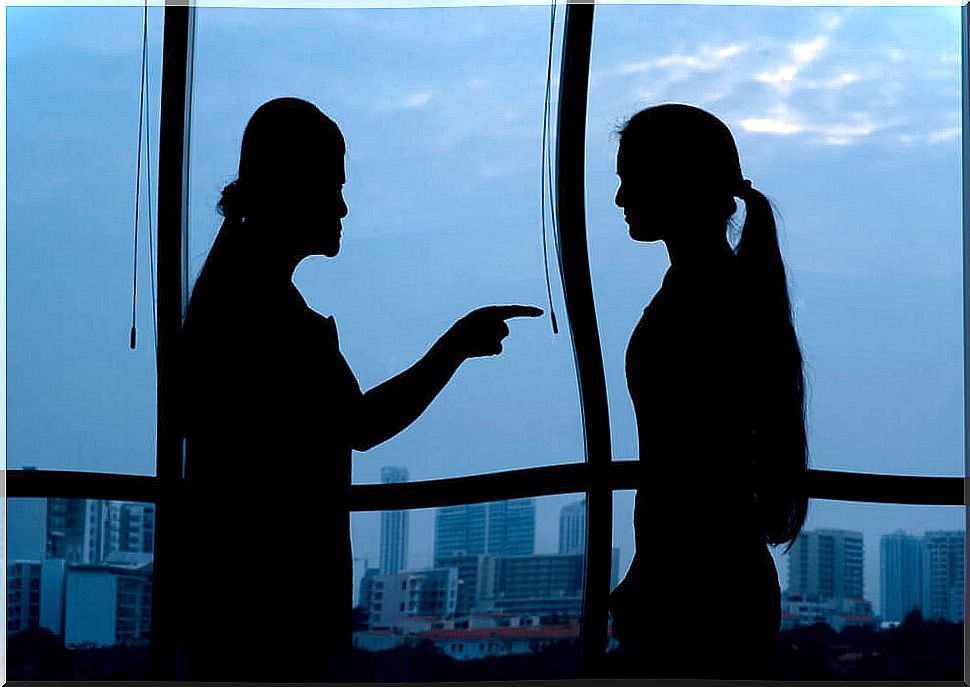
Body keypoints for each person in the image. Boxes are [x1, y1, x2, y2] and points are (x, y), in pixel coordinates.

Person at [174, 97, 542, 682]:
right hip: (277, 609)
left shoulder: (231, 298)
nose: (343, 205)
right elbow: (361, 425)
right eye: (333, 184)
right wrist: (454, 348)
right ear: (295, 187)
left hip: (237, 602)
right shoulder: (271, 316)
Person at [606, 104, 808, 679]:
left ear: (674, 183)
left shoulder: (701, 301)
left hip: (693, 587)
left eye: (630, 179)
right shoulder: (723, 290)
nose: (621, 198)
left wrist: (651, 577)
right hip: (712, 580)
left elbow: (688, 470)